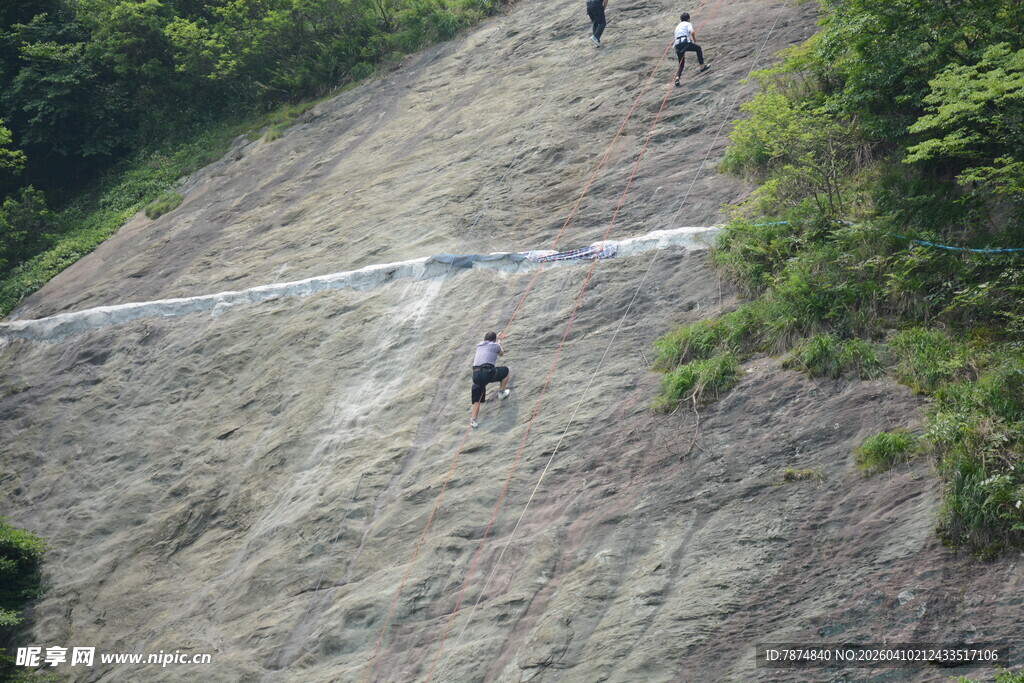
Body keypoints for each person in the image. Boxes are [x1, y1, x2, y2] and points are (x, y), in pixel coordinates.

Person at [470, 331, 511, 428]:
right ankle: (501, 393)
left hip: (476, 374)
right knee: (505, 371)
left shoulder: (479, 346)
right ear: (494, 340)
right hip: (487, 373)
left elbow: (491, 345)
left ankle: (473, 420)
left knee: (477, 398)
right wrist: (499, 341)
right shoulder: (496, 345)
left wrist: (496, 339)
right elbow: (501, 353)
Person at [673, 12, 708, 86]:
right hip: (684, 43)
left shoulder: (677, 26)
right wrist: (694, 39)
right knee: (698, 48)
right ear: (688, 19)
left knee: (681, 64)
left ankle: (677, 78)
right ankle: (702, 67)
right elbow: (692, 32)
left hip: (677, 45)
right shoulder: (688, 24)